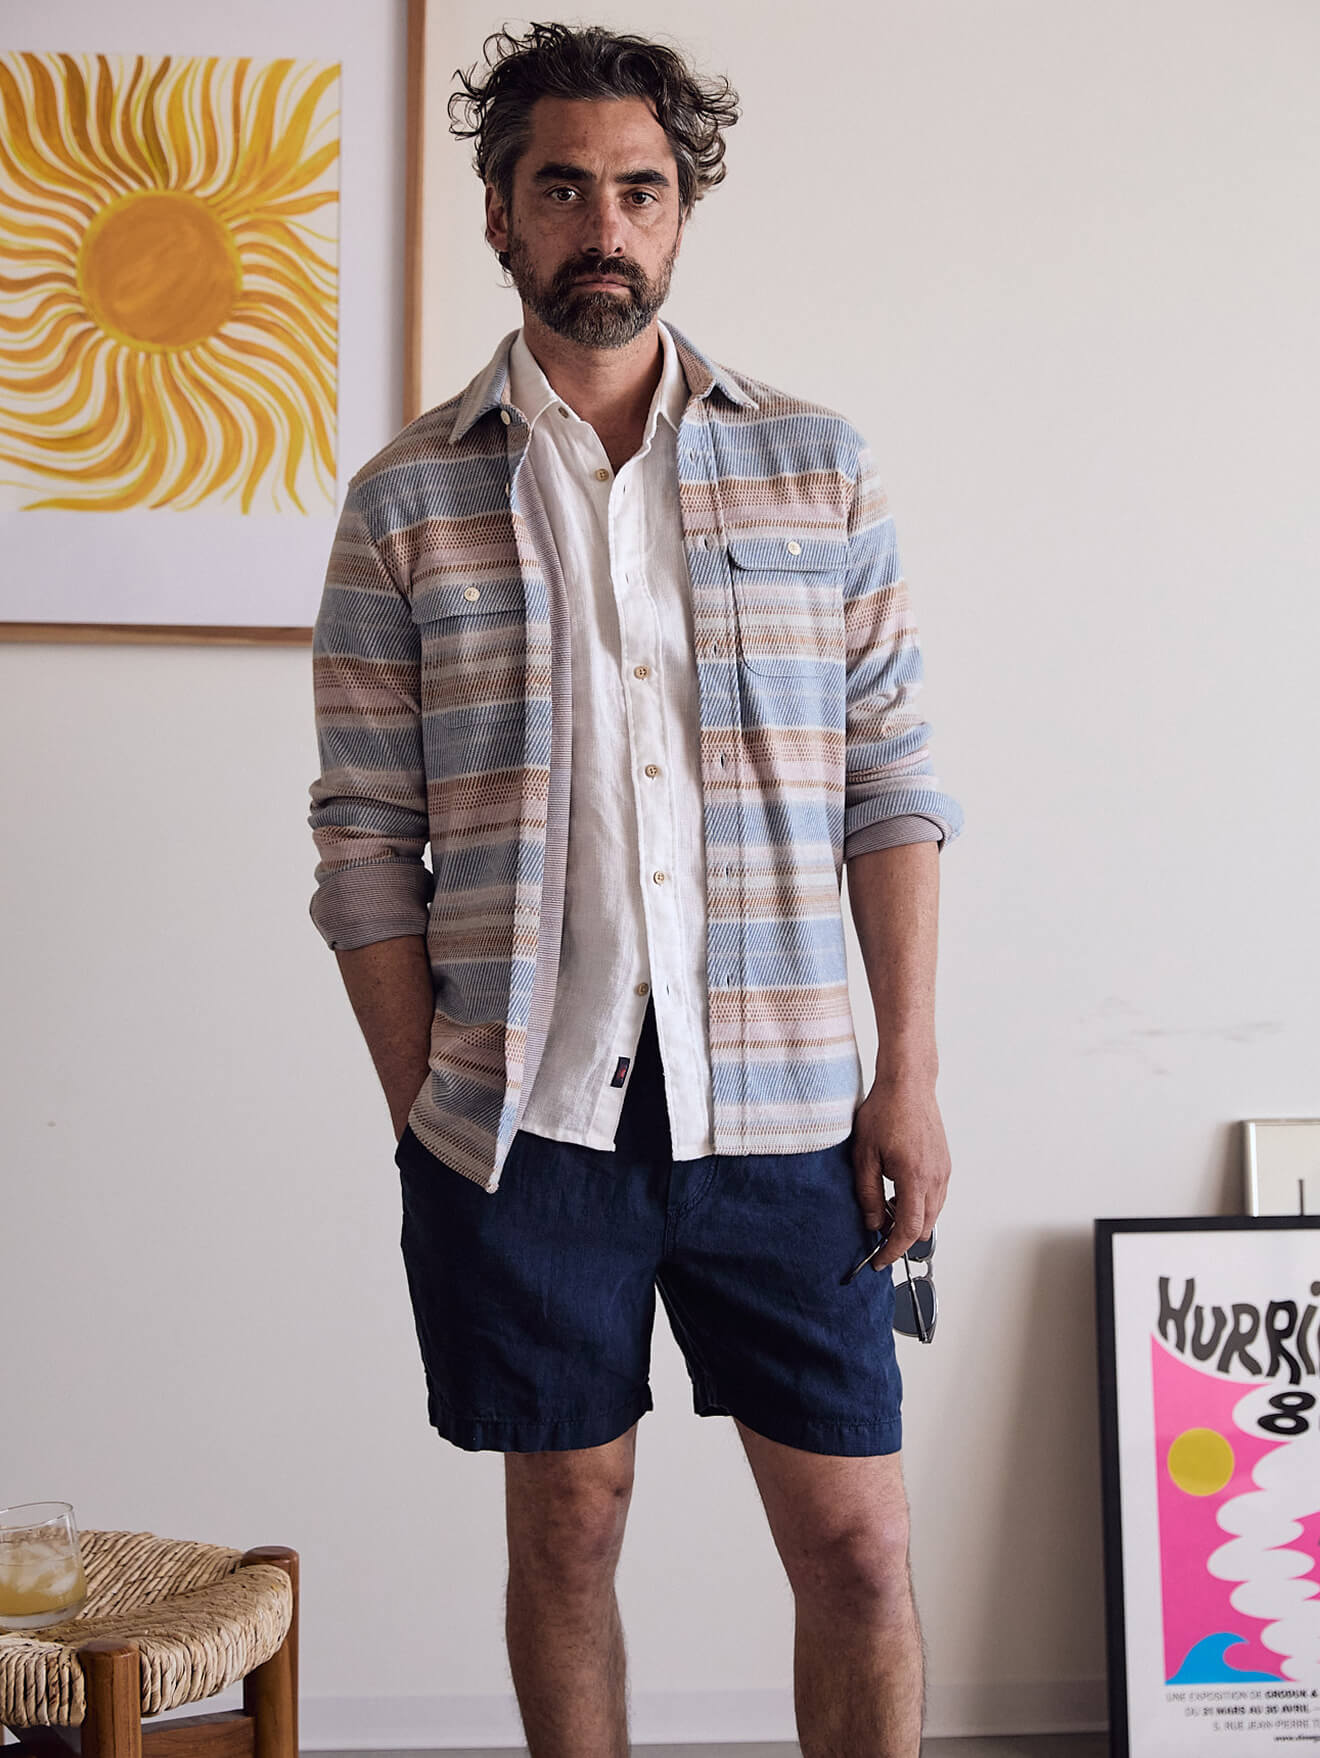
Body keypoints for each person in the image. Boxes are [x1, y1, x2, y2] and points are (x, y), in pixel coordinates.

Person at [307, 22, 963, 1757]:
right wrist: (426, 1105)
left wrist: (909, 1071)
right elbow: (366, 840)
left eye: (642, 190)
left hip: (793, 1109)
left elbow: (890, 786)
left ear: (684, 216)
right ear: (504, 219)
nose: (607, 223)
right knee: (570, 1525)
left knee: (862, 1548)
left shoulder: (817, 466)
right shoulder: (403, 502)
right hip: (531, 1114)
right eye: (565, 188)